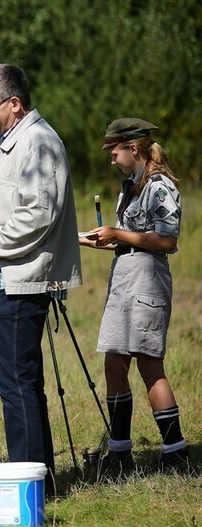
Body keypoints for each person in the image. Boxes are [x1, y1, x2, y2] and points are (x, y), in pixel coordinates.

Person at [0, 64, 82, 487]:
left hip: (21, 281)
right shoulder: (12, 143)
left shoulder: (38, 142)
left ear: (14, 104)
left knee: (16, 383)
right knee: (20, 380)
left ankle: (29, 480)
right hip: (4, 279)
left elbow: (37, 215)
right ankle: (39, 473)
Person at [80, 118, 192, 475]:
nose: (112, 159)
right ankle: (120, 451)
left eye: (114, 152)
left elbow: (167, 240)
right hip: (124, 276)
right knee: (114, 362)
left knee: (148, 363)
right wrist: (89, 238)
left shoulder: (158, 187)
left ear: (133, 148)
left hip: (147, 278)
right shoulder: (129, 186)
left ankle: (175, 452)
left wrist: (118, 233)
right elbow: (126, 237)